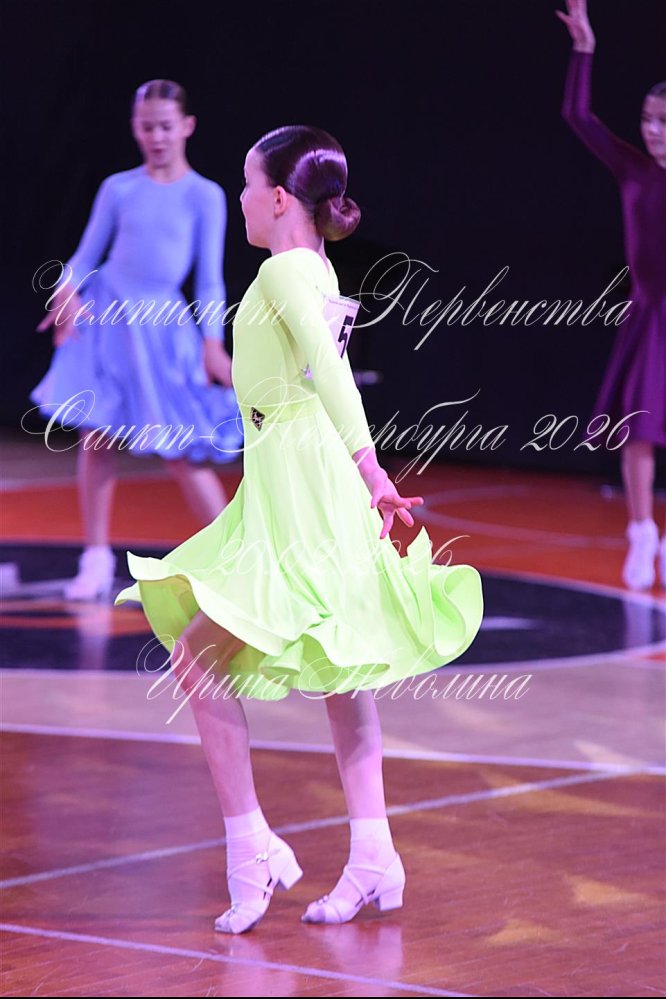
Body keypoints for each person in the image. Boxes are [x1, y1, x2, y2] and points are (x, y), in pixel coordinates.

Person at [114, 125, 484, 933]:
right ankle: (372, 852)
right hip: (297, 475)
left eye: (249, 184)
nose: (243, 197)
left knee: (198, 656)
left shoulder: (283, 269)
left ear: (279, 197)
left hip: (305, 480)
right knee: (340, 667)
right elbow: (292, 373)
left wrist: (374, 471)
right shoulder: (313, 267)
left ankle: (252, 846)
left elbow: (331, 372)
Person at [31, 79, 243, 601]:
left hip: (161, 327)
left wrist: (212, 342)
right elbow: (86, 255)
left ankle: (238, 564)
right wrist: (66, 290)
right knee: (96, 438)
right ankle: (95, 558)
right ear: (135, 128)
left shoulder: (204, 195)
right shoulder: (119, 188)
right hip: (106, 319)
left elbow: (209, 279)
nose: (157, 137)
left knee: (180, 447)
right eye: (147, 127)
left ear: (187, 127)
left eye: (166, 126)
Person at [558, 0, 666, 589]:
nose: (652, 129)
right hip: (649, 316)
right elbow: (578, 114)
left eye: (663, 122)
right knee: (639, 428)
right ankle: (642, 530)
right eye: (648, 119)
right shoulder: (633, 170)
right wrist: (584, 48)